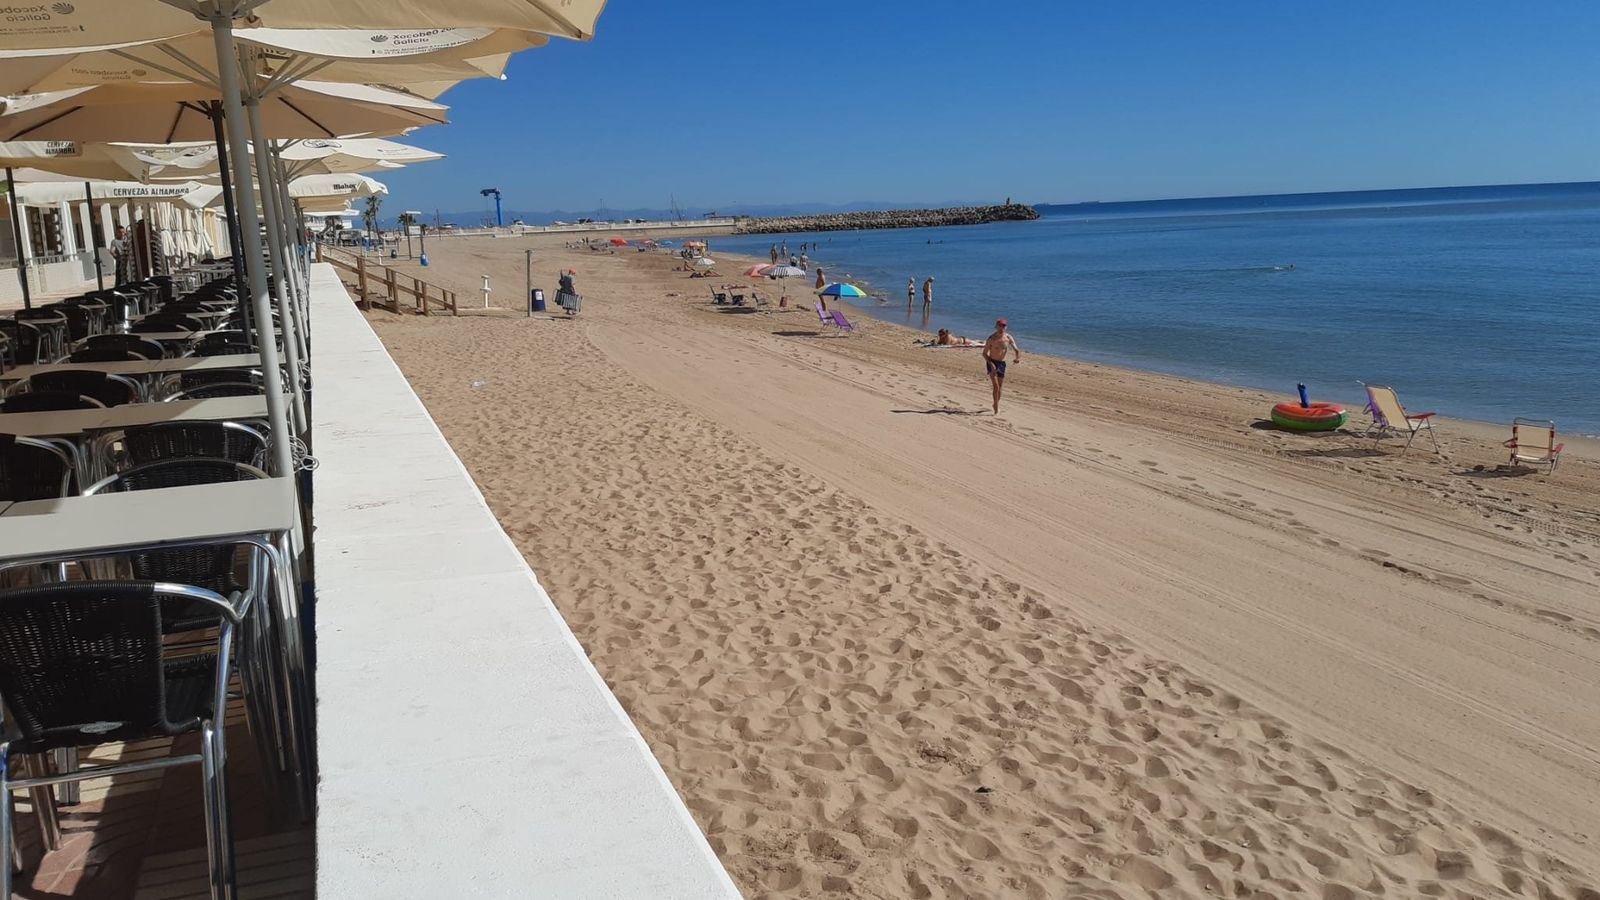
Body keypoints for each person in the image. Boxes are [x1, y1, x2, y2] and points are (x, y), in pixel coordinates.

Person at [982, 318, 1021, 414]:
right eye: (1000, 326)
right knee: (996, 387)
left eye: (1003, 326)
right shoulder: (991, 338)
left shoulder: (1008, 338)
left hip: (1002, 364)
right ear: (996, 327)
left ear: (1006, 327)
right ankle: (996, 407)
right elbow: (984, 353)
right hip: (992, 362)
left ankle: (996, 402)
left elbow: (1017, 350)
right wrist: (991, 364)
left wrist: (1017, 358)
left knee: (1000, 387)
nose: (1001, 328)